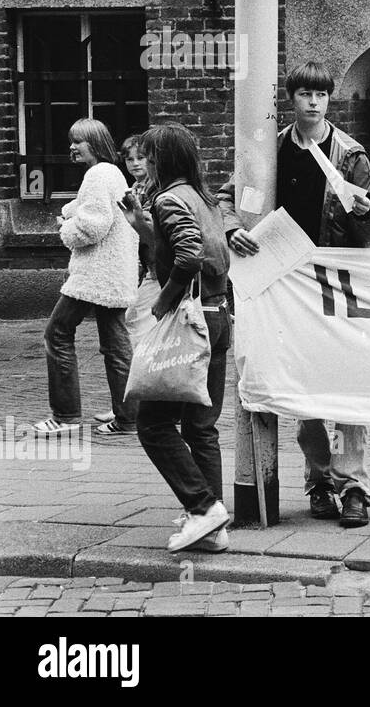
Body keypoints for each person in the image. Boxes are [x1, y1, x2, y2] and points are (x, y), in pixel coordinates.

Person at [221, 60, 370, 527]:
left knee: (349, 386)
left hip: (339, 286)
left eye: (321, 94)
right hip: (287, 288)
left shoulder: (350, 154)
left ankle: (353, 488)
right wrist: (233, 228)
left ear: (329, 99)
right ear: (291, 100)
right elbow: (227, 196)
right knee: (301, 386)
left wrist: (363, 209)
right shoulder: (270, 152)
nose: (314, 102)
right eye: (305, 95)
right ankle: (319, 479)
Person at [125, 123, 232, 552]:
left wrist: (161, 303)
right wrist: (139, 224)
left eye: (149, 156)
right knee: (201, 425)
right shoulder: (201, 197)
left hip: (191, 321)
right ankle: (213, 527)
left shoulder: (169, 198)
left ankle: (204, 509)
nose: (142, 164)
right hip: (219, 313)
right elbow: (190, 245)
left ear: (162, 159)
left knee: (152, 424)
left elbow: (188, 255)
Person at [33, 119, 139, 438]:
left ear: (94, 144)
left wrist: (65, 229)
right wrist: (71, 212)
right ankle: (127, 416)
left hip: (95, 273)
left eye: (77, 141)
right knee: (116, 345)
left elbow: (94, 226)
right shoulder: (113, 173)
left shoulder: (96, 175)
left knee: (57, 333)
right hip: (117, 272)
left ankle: (65, 416)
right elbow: (93, 209)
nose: (71, 146)